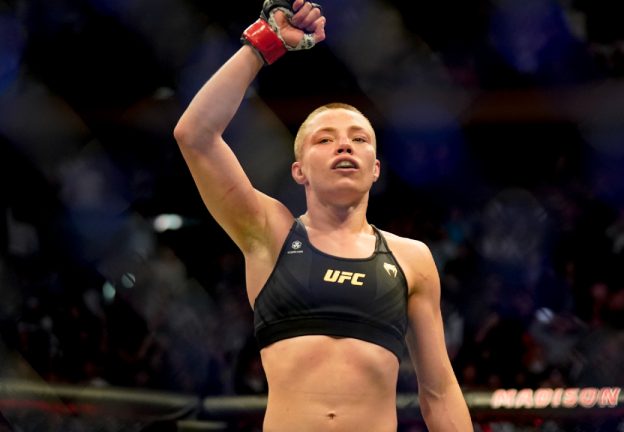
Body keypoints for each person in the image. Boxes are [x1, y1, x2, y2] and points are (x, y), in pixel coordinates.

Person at [173, 1, 473, 430]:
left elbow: (439, 392)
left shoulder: (412, 260)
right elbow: (195, 135)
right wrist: (263, 44)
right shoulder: (269, 233)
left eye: (359, 138)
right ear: (300, 171)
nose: (344, 146)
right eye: (325, 139)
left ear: (375, 169)